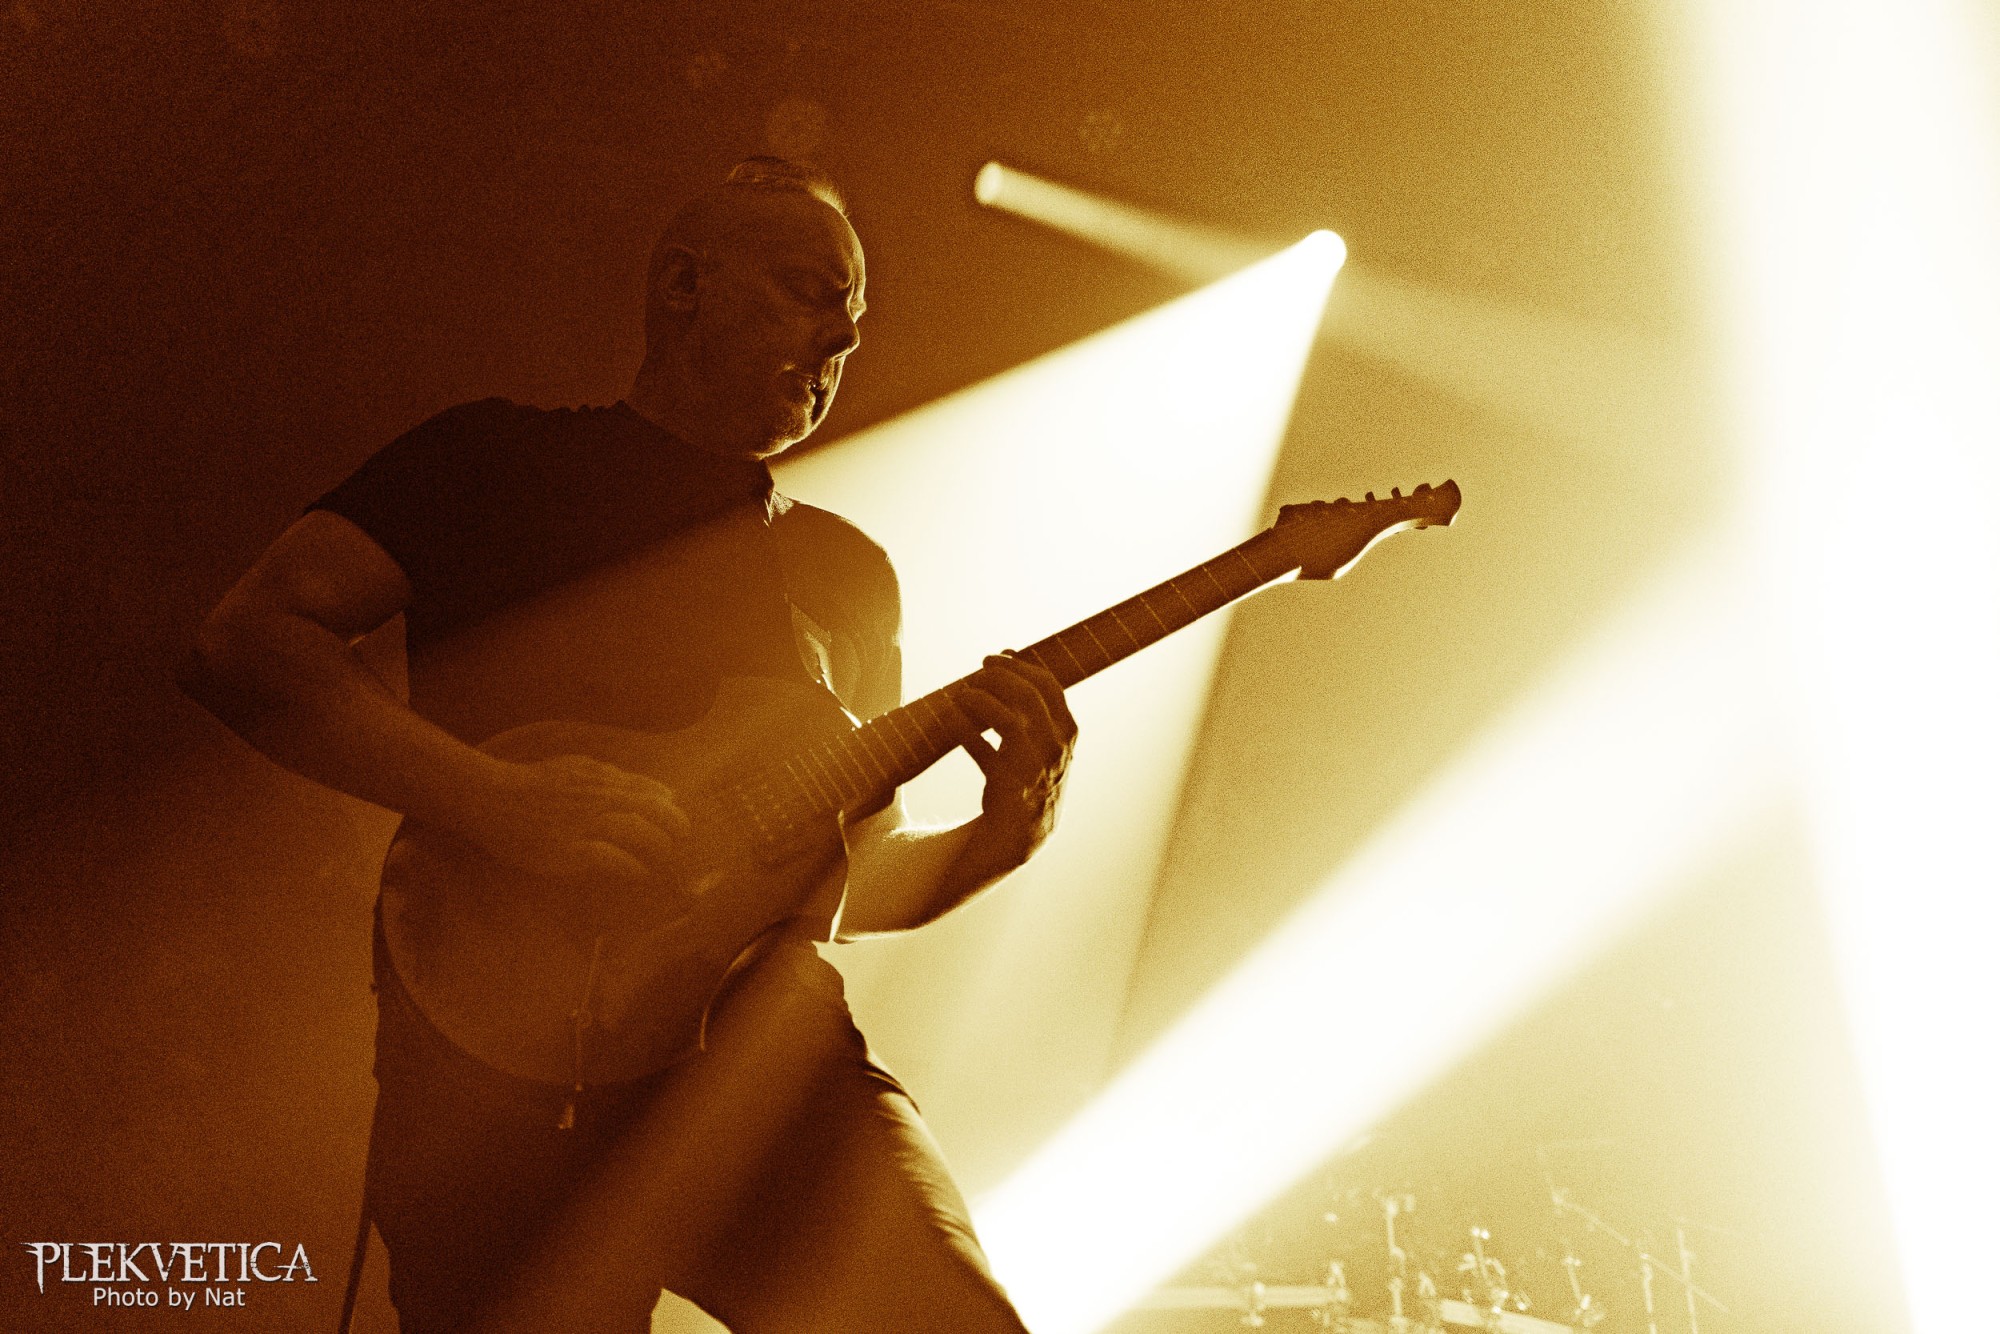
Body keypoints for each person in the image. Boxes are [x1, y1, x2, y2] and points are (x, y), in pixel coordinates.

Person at [180, 157, 1076, 1333]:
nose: (839, 338)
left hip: (764, 1062)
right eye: (808, 292)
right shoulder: (495, 462)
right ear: (685, 285)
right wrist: (495, 799)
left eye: (853, 318)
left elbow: (855, 877)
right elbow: (246, 640)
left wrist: (1007, 833)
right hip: (493, 1070)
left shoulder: (847, 571)